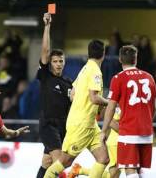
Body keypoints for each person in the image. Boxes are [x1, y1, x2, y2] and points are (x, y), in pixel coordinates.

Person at [44, 40, 109, 178]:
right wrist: (110, 103)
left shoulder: (85, 69)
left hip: (90, 124)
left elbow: (73, 95)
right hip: (82, 124)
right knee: (65, 161)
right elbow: (94, 97)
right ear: (103, 54)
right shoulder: (95, 71)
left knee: (103, 158)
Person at [101, 45, 156, 178]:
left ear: (120, 59)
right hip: (146, 131)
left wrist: (103, 130)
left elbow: (111, 106)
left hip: (128, 131)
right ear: (135, 59)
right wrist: (147, 122)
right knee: (139, 169)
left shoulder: (118, 78)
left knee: (130, 169)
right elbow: (154, 105)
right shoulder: (149, 77)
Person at [36, 13, 73, 178]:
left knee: (47, 163)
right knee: (60, 163)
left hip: (63, 127)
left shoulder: (68, 83)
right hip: (48, 125)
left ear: (64, 62)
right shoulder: (46, 76)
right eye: (55, 61)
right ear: (50, 63)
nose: (58, 64)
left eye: (61, 61)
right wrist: (47, 26)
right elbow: (45, 51)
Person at [68, 107, 121, 178]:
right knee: (115, 173)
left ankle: (79, 170)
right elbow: (109, 120)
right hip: (118, 142)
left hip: (120, 140)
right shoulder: (116, 102)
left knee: (115, 173)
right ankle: (79, 170)